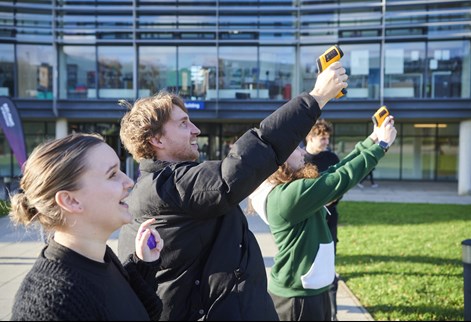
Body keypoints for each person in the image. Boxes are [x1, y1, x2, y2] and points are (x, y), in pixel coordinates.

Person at [117, 61, 348, 320]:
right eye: (183, 124)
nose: (196, 130)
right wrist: (316, 97)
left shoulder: (164, 184)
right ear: (156, 140)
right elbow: (237, 169)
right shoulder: (165, 186)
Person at [249, 115, 397, 321]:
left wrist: (372, 138)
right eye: (296, 148)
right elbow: (341, 178)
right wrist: (381, 146)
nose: (302, 151)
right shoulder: (287, 196)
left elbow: (336, 170)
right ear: (279, 161)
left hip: (310, 290)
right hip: (297, 298)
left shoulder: (288, 189)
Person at [9, 133, 164, 321]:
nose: (129, 182)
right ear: (70, 200)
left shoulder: (100, 256)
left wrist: (143, 265)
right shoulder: (50, 304)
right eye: (112, 174)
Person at [303, 118, 341, 320]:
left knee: (329, 266)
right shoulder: (299, 159)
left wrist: (328, 201)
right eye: (322, 137)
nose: (326, 141)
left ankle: (332, 314)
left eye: (327, 138)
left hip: (328, 220)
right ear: (310, 137)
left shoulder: (332, 158)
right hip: (306, 223)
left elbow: (339, 186)